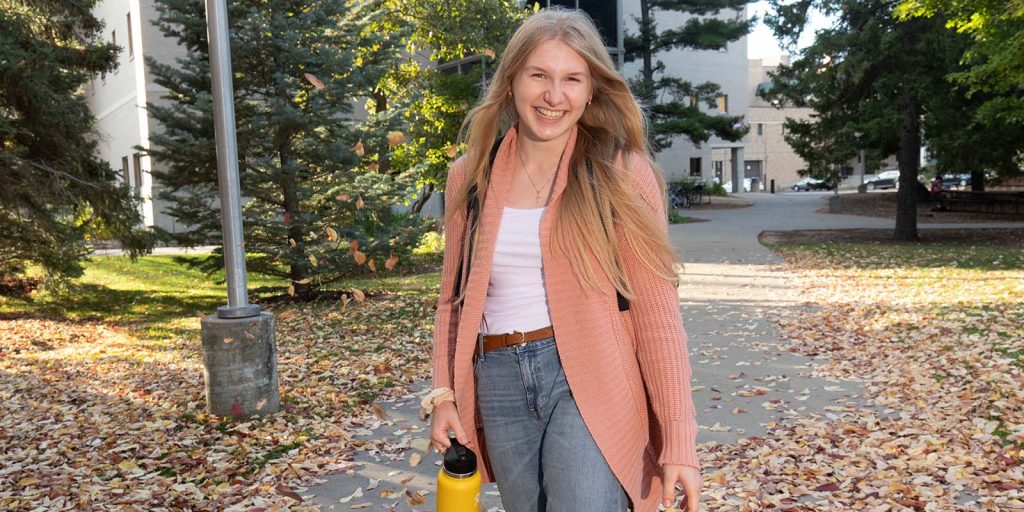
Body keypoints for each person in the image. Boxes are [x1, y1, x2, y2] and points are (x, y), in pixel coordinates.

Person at [419, 7, 701, 511]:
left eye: (572, 79)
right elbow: (452, 303)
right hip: (498, 380)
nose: (554, 96)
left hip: (587, 375)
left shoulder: (620, 173)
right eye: (539, 76)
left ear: (592, 89)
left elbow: (657, 313)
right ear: (511, 83)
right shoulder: (470, 176)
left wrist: (679, 436)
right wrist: (443, 394)